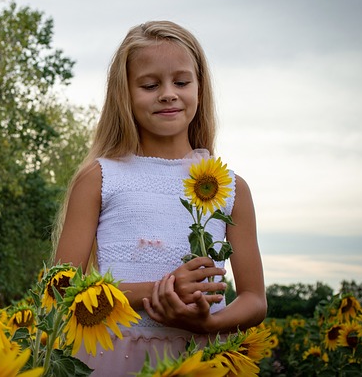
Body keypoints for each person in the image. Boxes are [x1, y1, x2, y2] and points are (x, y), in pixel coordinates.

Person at [51, 21, 267, 376]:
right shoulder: (100, 177)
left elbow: (255, 301)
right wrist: (162, 291)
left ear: (200, 88)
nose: (168, 93)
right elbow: (62, 289)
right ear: (125, 93)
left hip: (200, 356)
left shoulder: (231, 188)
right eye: (150, 85)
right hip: (114, 353)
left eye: (181, 82)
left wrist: (210, 325)